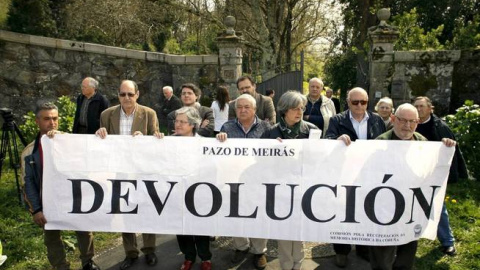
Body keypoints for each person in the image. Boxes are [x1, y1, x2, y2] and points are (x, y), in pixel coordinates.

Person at [371, 103, 457, 270]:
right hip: (385, 208)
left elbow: (431, 169)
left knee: (408, 247)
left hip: (411, 207)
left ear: (418, 122)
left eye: (413, 121)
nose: (408, 126)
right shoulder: (379, 143)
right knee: (382, 253)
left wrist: (444, 148)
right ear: (394, 119)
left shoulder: (422, 142)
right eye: (403, 120)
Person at [23, 102, 100, 270]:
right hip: (47, 203)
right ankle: (61, 266)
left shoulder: (70, 142)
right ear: (37, 121)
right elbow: (27, 183)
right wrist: (36, 210)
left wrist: (64, 141)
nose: (52, 123)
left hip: (73, 198)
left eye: (55, 118)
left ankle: (88, 261)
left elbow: (85, 165)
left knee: (84, 230)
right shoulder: (29, 152)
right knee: (51, 238)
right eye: (47, 119)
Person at [95, 80, 161, 270]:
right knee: (125, 211)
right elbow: (101, 144)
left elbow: (156, 142)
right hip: (119, 170)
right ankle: (130, 253)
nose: (127, 98)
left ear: (137, 95)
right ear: (118, 95)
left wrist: (146, 140)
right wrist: (99, 133)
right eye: (123, 94)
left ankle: (149, 249)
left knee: (147, 210)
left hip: (142, 170)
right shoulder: (107, 114)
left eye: (130, 94)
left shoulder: (149, 114)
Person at [325, 87, 386, 267]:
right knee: (343, 211)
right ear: (348, 102)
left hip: (370, 174)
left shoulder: (376, 120)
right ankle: (341, 251)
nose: (360, 105)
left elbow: (385, 143)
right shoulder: (336, 120)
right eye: (355, 102)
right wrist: (336, 140)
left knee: (367, 210)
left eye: (364, 102)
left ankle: (363, 248)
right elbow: (327, 141)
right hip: (345, 173)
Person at [261, 91, 318, 270]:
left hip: (302, 187)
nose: (299, 112)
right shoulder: (271, 132)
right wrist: (273, 149)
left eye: (301, 108)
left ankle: (298, 264)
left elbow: (318, 159)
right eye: (295, 108)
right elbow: (260, 162)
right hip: (280, 189)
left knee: (299, 228)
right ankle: (286, 265)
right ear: (285, 110)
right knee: (284, 229)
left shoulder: (311, 131)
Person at [216, 94, 270, 270]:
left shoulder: (266, 127)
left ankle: (259, 251)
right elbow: (217, 152)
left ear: (254, 109)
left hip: (258, 179)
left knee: (259, 215)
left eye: (247, 107)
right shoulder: (227, 127)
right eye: (239, 107)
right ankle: (241, 247)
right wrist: (220, 139)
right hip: (234, 180)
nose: (243, 110)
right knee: (236, 214)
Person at [413, 96, 468, 256]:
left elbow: (450, 152)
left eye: (422, 106)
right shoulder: (408, 123)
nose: (418, 109)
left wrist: (448, 143)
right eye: (416, 106)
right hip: (411, 173)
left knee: (437, 206)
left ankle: (447, 241)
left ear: (430, 109)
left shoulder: (440, 127)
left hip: (432, 175)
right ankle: (402, 240)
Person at [173, 107, 212, 270]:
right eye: (177, 121)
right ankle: (188, 256)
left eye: (182, 122)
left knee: (200, 226)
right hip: (177, 192)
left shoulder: (204, 144)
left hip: (200, 193)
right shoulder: (168, 143)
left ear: (193, 125)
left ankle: (205, 258)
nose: (178, 124)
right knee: (182, 227)